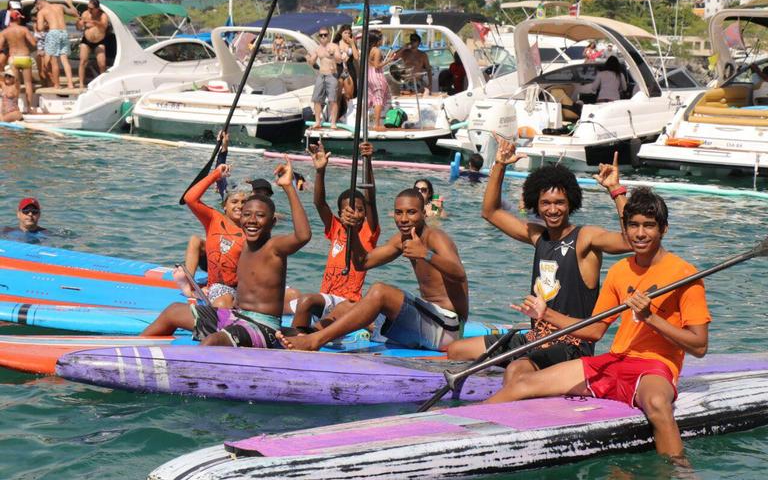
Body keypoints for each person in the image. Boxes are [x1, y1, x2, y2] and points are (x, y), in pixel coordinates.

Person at [485, 187, 710, 464]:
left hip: (655, 367)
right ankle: (460, 427)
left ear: (664, 229)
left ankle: (679, 469)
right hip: (614, 361)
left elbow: (699, 345)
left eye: (649, 226)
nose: (640, 234)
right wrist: (546, 313)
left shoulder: (685, 275)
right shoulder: (619, 270)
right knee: (521, 383)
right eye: (633, 226)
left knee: (657, 405)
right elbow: (594, 330)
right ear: (625, 230)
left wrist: (651, 318)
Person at [447, 134, 631, 383]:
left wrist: (616, 190)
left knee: (517, 370)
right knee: (456, 350)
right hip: (535, 338)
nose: (552, 210)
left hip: (571, 345)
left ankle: (514, 395)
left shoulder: (585, 238)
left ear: (570, 203)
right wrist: (500, 165)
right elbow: (489, 212)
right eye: (545, 203)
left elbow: (629, 240)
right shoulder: (538, 236)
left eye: (559, 203)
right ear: (536, 203)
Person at [142, 157, 312, 348]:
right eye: (247, 215)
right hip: (235, 316)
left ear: (272, 222)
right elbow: (191, 200)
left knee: (213, 341)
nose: (252, 220)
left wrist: (288, 186)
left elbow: (303, 235)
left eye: (260, 216)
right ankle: (129, 351)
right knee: (173, 311)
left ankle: (190, 375)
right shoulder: (243, 240)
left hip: (263, 327)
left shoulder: (273, 247)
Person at [278, 187, 468, 352]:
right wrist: (351, 229)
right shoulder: (402, 239)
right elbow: (363, 262)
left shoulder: (436, 237)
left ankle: (314, 342)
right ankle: (306, 335)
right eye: (398, 212)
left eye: (411, 212)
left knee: (380, 291)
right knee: (345, 306)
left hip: (448, 327)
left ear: (423, 214)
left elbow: (459, 274)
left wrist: (425, 254)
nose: (403, 219)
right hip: (427, 322)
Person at [290, 140, 380, 331]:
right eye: (348, 210)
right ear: (340, 214)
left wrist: (368, 162)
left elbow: (371, 200)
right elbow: (320, 203)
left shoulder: (368, 231)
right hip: (327, 298)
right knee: (301, 302)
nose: (354, 214)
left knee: (315, 316)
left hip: (348, 301)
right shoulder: (336, 228)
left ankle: (309, 337)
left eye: (359, 210)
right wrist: (320, 171)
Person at [176, 157, 249, 308]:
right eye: (234, 202)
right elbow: (190, 198)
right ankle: (190, 286)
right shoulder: (214, 219)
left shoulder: (252, 228)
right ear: (225, 206)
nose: (239, 206)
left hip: (242, 288)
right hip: (218, 287)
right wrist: (215, 175)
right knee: (223, 304)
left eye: (244, 203)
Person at [36, 0, 79, 90]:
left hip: (53, 33)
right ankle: (70, 84)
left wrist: (45, 23)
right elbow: (75, 13)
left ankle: (57, 85)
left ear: (39, 3)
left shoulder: (42, 12)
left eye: (37, 7)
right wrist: (69, 3)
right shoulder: (59, 6)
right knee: (65, 60)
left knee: (54, 61)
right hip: (64, 32)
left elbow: (40, 28)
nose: (37, 8)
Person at [0, 10, 37, 112]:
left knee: (16, 84)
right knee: (28, 83)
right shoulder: (24, 29)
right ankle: (29, 107)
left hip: (13, 58)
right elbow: (34, 43)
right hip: (24, 57)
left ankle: (15, 108)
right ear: (18, 18)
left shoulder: (4, 32)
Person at [308, 27, 342, 130]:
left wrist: (332, 55)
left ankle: (333, 122)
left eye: (325, 35)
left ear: (329, 35)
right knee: (316, 99)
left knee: (333, 100)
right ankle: (317, 121)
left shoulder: (334, 46)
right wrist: (310, 59)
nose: (323, 37)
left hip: (331, 75)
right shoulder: (318, 48)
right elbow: (312, 62)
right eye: (321, 35)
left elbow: (339, 60)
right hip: (321, 74)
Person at [76, 0, 109, 89]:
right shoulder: (85, 14)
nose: (89, 10)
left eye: (91, 8)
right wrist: (79, 24)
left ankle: (103, 84)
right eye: (88, 7)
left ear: (97, 8)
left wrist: (94, 22)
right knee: (83, 61)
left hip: (99, 41)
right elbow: (78, 28)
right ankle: (81, 84)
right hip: (86, 40)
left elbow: (104, 26)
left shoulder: (103, 15)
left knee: (102, 64)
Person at [367, 30, 391, 131]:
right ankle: (376, 124)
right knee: (378, 99)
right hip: (376, 75)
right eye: (381, 38)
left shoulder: (368, 49)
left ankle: (372, 122)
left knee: (373, 98)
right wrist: (388, 61)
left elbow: (372, 63)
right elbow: (377, 65)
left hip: (369, 74)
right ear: (377, 40)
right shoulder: (377, 50)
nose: (382, 40)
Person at [334, 24, 359, 102]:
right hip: (339, 69)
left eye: (349, 33)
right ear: (341, 33)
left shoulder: (352, 43)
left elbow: (356, 57)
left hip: (350, 69)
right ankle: (339, 111)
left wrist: (352, 44)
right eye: (345, 33)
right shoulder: (336, 43)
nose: (347, 35)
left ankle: (349, 110)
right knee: (338, 95)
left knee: (350, 95)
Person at [0, 0, 22, 71]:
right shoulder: (3, 12)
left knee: (2, 62)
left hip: (13, 41)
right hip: (3, 39)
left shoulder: (20, 14)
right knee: (2, 63)